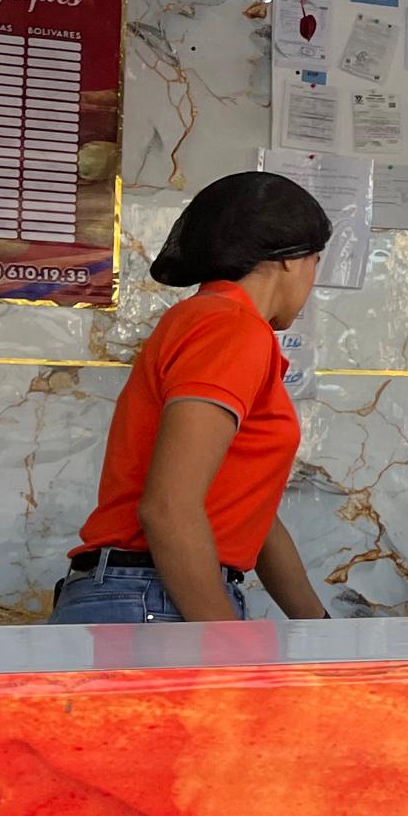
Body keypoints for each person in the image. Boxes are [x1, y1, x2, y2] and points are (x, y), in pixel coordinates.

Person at [53, 171, 331, 624]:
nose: (312, 281)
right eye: (316, 262)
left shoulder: (212, 321)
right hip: (150, 596)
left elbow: (255, 520)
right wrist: (226, 645)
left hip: (142, 594)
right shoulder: (231, 328)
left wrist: (318, 627)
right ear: (290, 260)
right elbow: (167, 508)